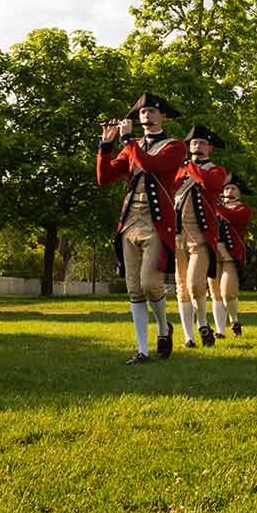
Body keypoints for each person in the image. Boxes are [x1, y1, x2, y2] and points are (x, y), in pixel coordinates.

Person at [96, 92, 188, 364]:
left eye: (151, 112)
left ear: (164, 117)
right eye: (142, 112)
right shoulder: (131, 146)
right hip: (130, 220)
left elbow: (151, 165)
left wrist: (127, 141)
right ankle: (142, 350)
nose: (145, 116)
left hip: (155, 222)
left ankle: (163, 327)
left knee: (150, 283)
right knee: (134, 288)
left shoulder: (175, 146)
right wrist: (106, 144)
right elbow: (105, 177)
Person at [172, 125, 230, 348]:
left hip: (201, 235)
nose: (197, 146)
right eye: (194, 143)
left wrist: (190, 166)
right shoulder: (180, 170)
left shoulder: (217, 170)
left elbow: (210, 183)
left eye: (202, 143)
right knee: (182, 288)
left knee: (195, 284)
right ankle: (189, 336)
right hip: (178, 234)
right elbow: (170, 189)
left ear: (210, 148)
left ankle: (204, 323)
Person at [209, 175, 252, 338]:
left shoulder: (244, 209)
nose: (229, 191)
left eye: (233, 188)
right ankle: (220, 331)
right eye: (226, 188)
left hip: (232, 255)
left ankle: (234, 320)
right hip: (214, 253)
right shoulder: (216, 207)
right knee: (215, 294)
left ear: (240, 193)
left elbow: (232, 217)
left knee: (228, 292)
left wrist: (213, 202)